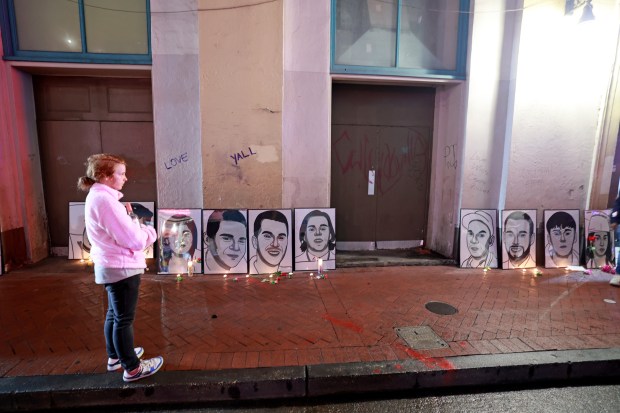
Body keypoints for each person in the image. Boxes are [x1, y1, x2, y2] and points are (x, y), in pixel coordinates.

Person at [77, 154, 163, 383]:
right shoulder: (105, 201)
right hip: (121, 267)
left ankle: (116, 357)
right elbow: (134, 240)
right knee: (123, 319)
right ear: (105, 176)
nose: (125, 178)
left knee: (114, 315)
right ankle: (132, 368)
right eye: (121, 173)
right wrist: (149, 231)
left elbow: (117, 232)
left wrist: (127, 218)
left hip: (111, 265)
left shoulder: (98, 197)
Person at [204, 209, 248, 274]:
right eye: (227, 239)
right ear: (207, 239)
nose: (236, 248)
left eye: (241, 241)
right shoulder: (199, 265)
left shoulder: (245, 266)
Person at [249, 210, 292, 274]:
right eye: (267, 236)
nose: (275, 244)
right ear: (255, 241)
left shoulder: (289, 272)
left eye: (281, 237)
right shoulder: (245, 270)